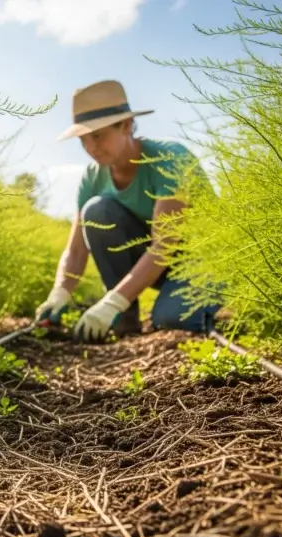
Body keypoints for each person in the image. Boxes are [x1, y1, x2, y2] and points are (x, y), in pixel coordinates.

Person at [34, 79, 218, 343]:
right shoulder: (93, 177)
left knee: (171, 319)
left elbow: (163, 246)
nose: (91, 149)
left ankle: (133, 306)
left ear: (127, 126)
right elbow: (75, 250)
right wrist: (59, 293)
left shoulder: (168, 160)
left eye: (98, 136)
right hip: (162, 268)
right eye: (83, 140)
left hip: (205, 262)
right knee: (97, 211)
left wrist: (111, 302)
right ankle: (126, 322)